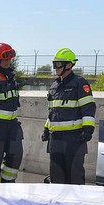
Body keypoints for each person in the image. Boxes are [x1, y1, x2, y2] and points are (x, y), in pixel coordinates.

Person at [42, 48, 96, 185]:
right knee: (56, 176)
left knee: (74, 177)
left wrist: (88, 130)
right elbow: (53, 111)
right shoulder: (54, 85)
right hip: (55, 139)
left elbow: (88, 108)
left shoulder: (80, 83)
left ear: (69, 65)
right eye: (54, 64)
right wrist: (46, 129)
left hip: (73, 139)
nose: (55, 68)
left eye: (58, 64)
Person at [0, 43, 23, 183]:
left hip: (13, 125)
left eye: (10, 58)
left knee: (16, 155)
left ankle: (8, 184)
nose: (8, 61)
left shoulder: (10, 75)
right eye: (5, 58)